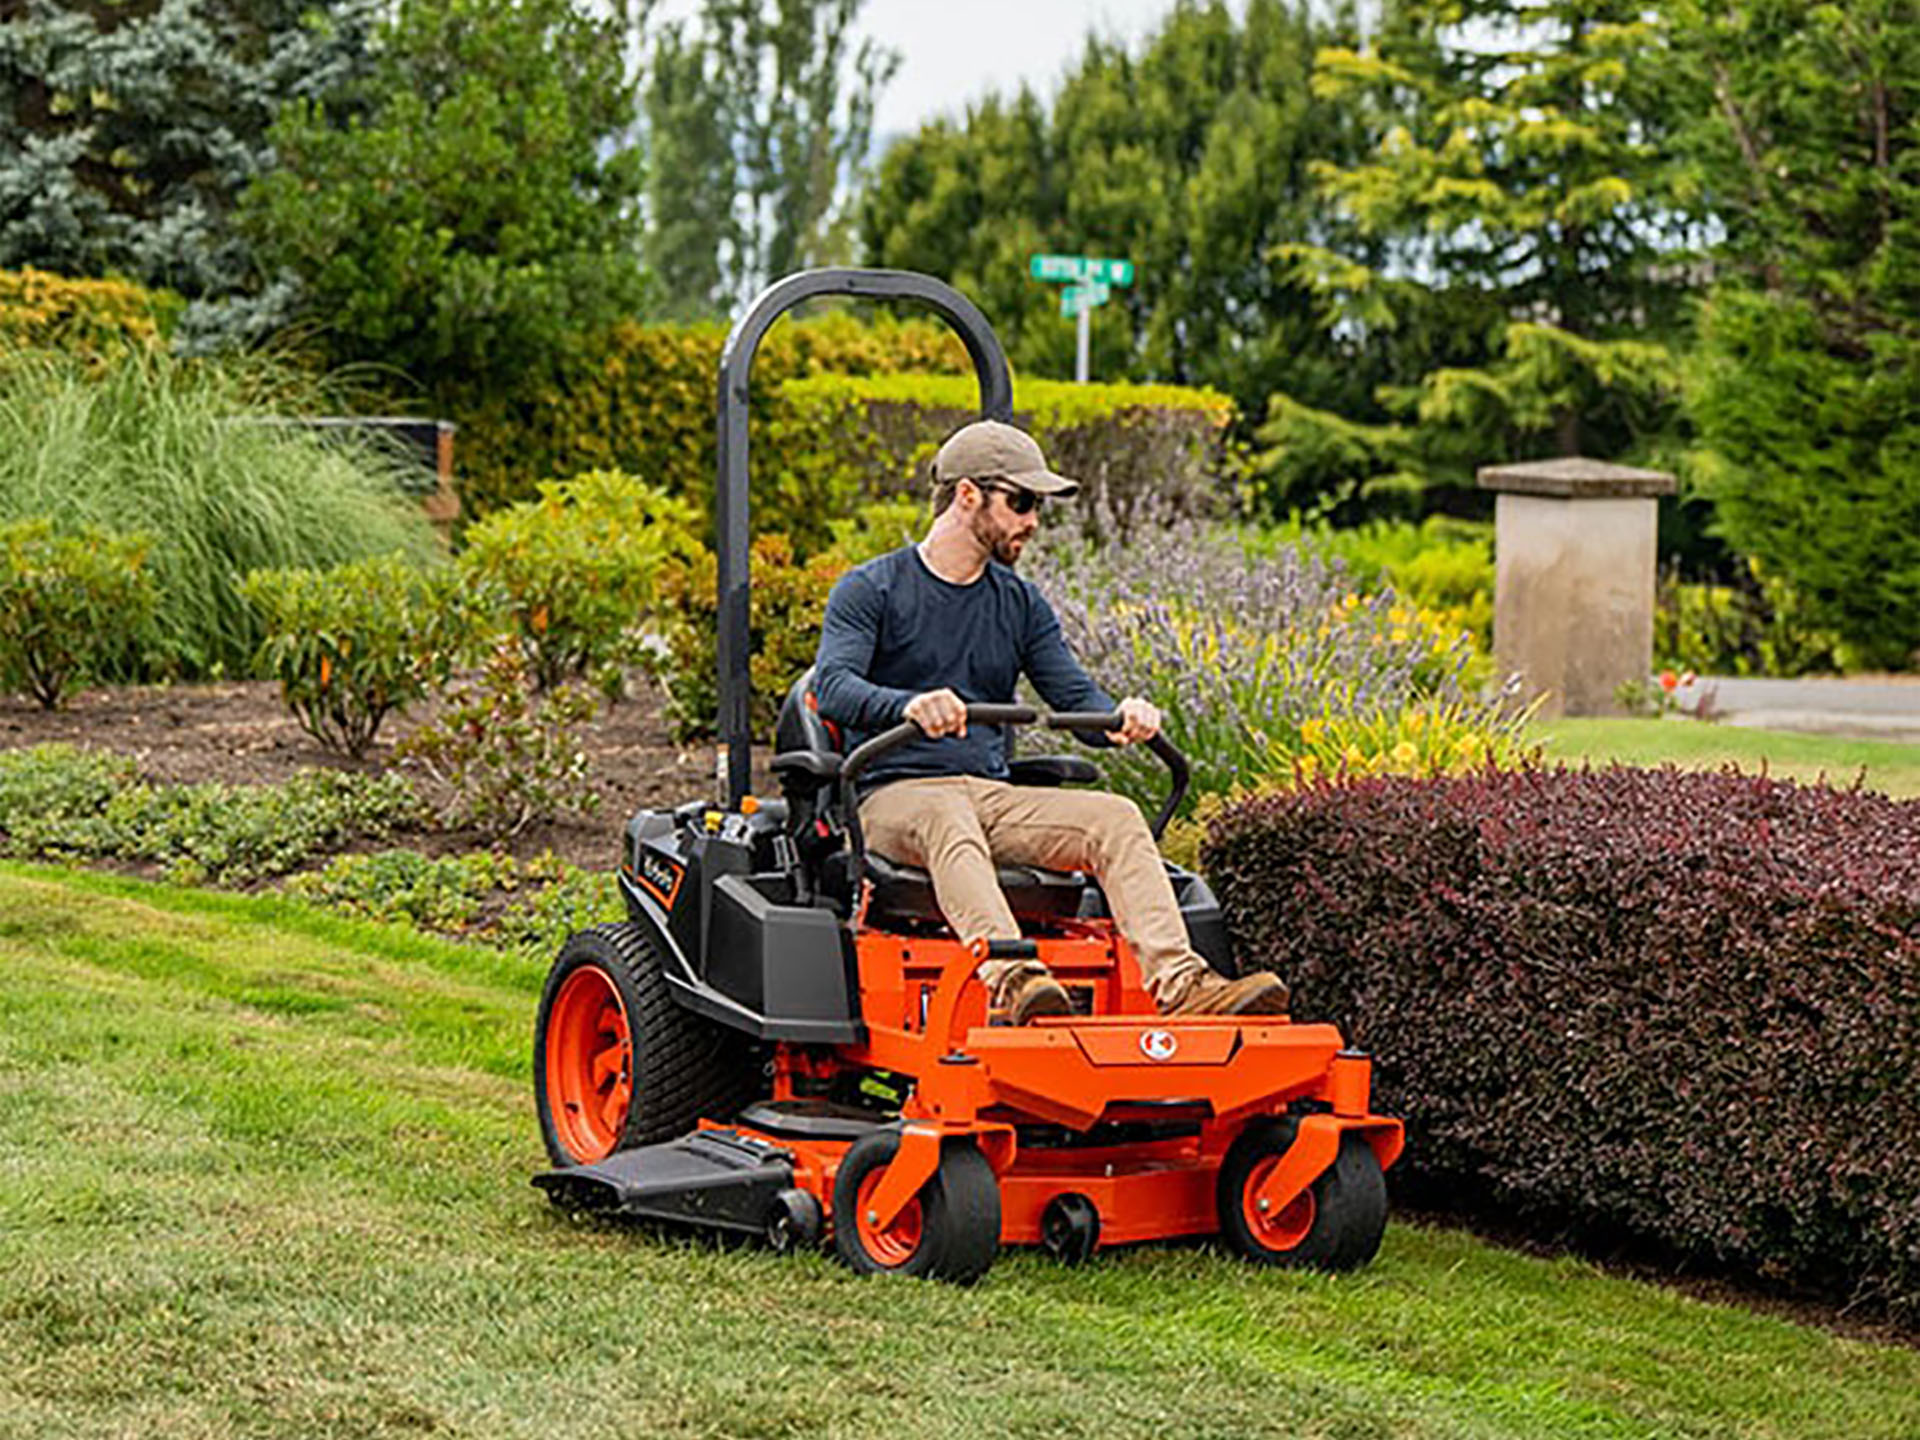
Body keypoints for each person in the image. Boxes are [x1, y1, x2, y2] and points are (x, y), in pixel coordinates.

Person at [813, 418, 1289, 1025]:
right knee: (945, 816)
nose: (1033, 520)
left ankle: (1185, 985)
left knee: (1114, 816)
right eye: (1022, 502)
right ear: (967, 495)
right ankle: (1015, 981)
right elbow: (834, 688)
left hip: (989, 795)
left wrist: (1121, 717)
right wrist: (908, 705)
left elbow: (1073, 695)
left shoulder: (1019, 603)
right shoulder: (871, 589)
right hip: (891, 797)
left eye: (1036, 505)